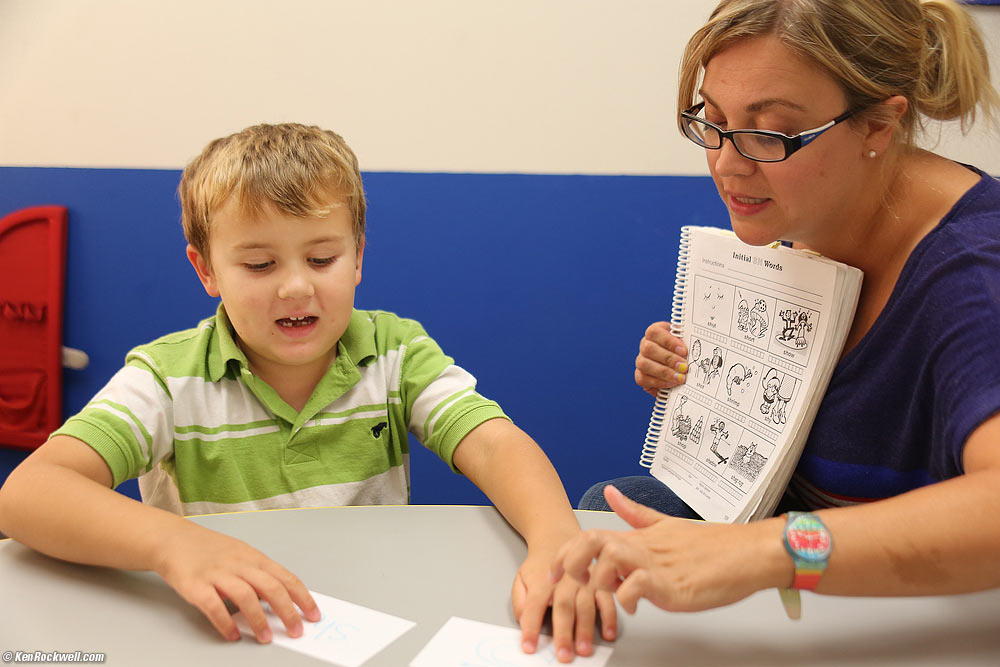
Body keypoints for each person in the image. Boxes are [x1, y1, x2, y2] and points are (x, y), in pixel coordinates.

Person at [0, 123, 612, 662]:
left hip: (369, 623)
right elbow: (26, 494)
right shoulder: (167, 379)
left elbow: (495, 446)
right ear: (206, 270)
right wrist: (172, 546)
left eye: (321, 258)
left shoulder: (396, 352)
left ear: (357, 259)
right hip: (226, 634)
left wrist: (556, 537)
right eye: (260, 266)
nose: (295, 287)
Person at [561, 0, 1000, 616]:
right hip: (800, 538)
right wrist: (701, 380)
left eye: (768, 132)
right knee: (610, 514)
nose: (725, 163)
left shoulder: (974, 275)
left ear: (877, 126)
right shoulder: (818, 206)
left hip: (909, 601)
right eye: (712, 122)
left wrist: (769, 552)